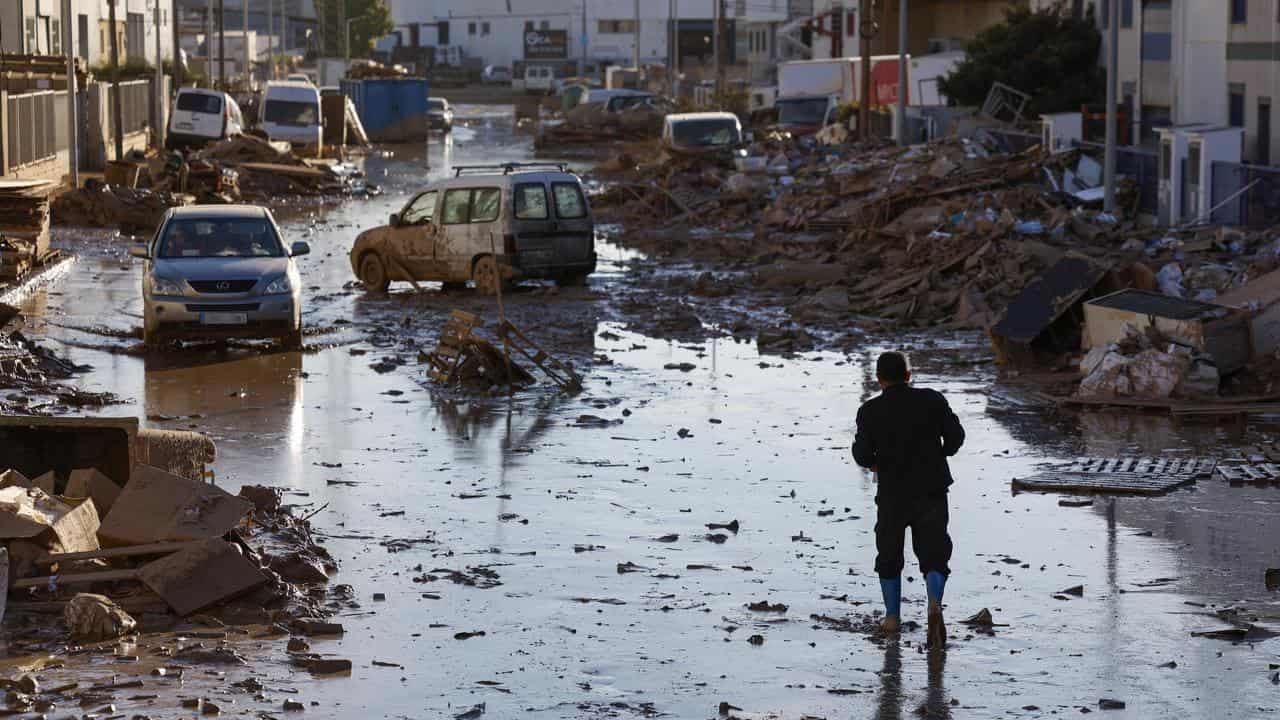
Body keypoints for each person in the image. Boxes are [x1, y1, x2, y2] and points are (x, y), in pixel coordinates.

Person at [852, 351, 965, 651]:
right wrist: (941, 453)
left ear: (879, 380)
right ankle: (934, 605)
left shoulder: (870, 411)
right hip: (932, 489)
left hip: (892, 493)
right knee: (934, 552)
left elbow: (862, 455)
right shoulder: (933, 400)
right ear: (908, 376)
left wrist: (876, 462)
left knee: (889, 554)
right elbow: (956, 437)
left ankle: (891, 618)